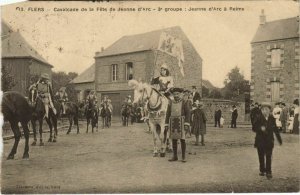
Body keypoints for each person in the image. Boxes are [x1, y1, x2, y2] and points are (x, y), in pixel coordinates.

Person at [252, 102, 282, 179]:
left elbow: (275, 129)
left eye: (267, 109)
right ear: (261, 111)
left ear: (269, 110)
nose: (265, 111)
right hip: (260, 141)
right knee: (261, 156)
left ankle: (268, 172)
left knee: (268, 156)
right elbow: (254, 128)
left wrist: (279, 139)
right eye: (263, 110)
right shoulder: (258, 117)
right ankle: (262, 170)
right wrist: (260, 128)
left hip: (269, 140)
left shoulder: (272, 118)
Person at [166, 87, 191, 163]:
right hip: (173, 122)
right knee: (174, 139)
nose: (176, 95)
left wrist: (187, 123)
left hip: (182, 122)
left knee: (182, 140)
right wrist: (166, 124)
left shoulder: (184, 102)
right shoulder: (171, 102)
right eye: (174, 94)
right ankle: (175, 156)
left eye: (177, 94)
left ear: (180, 94)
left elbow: (188, 113)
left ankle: (183, 156)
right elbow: (168, 113)